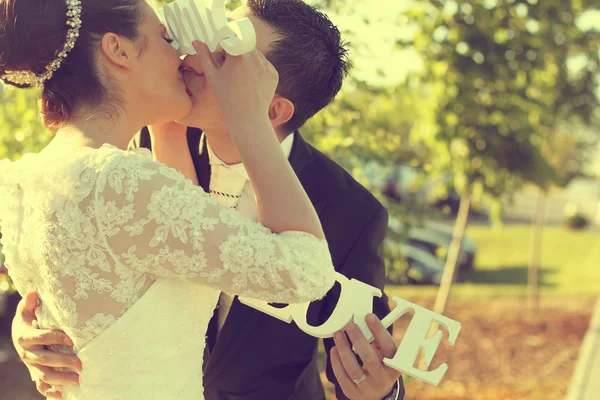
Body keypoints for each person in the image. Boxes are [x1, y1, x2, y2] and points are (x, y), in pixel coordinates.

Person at [12, 1, 406, 399]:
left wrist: (380, 393)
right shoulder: (138, 147)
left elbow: (366, 355)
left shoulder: (349, 210)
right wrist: (37, 325)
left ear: (271, 108)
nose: (193, 58)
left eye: (225, 55)